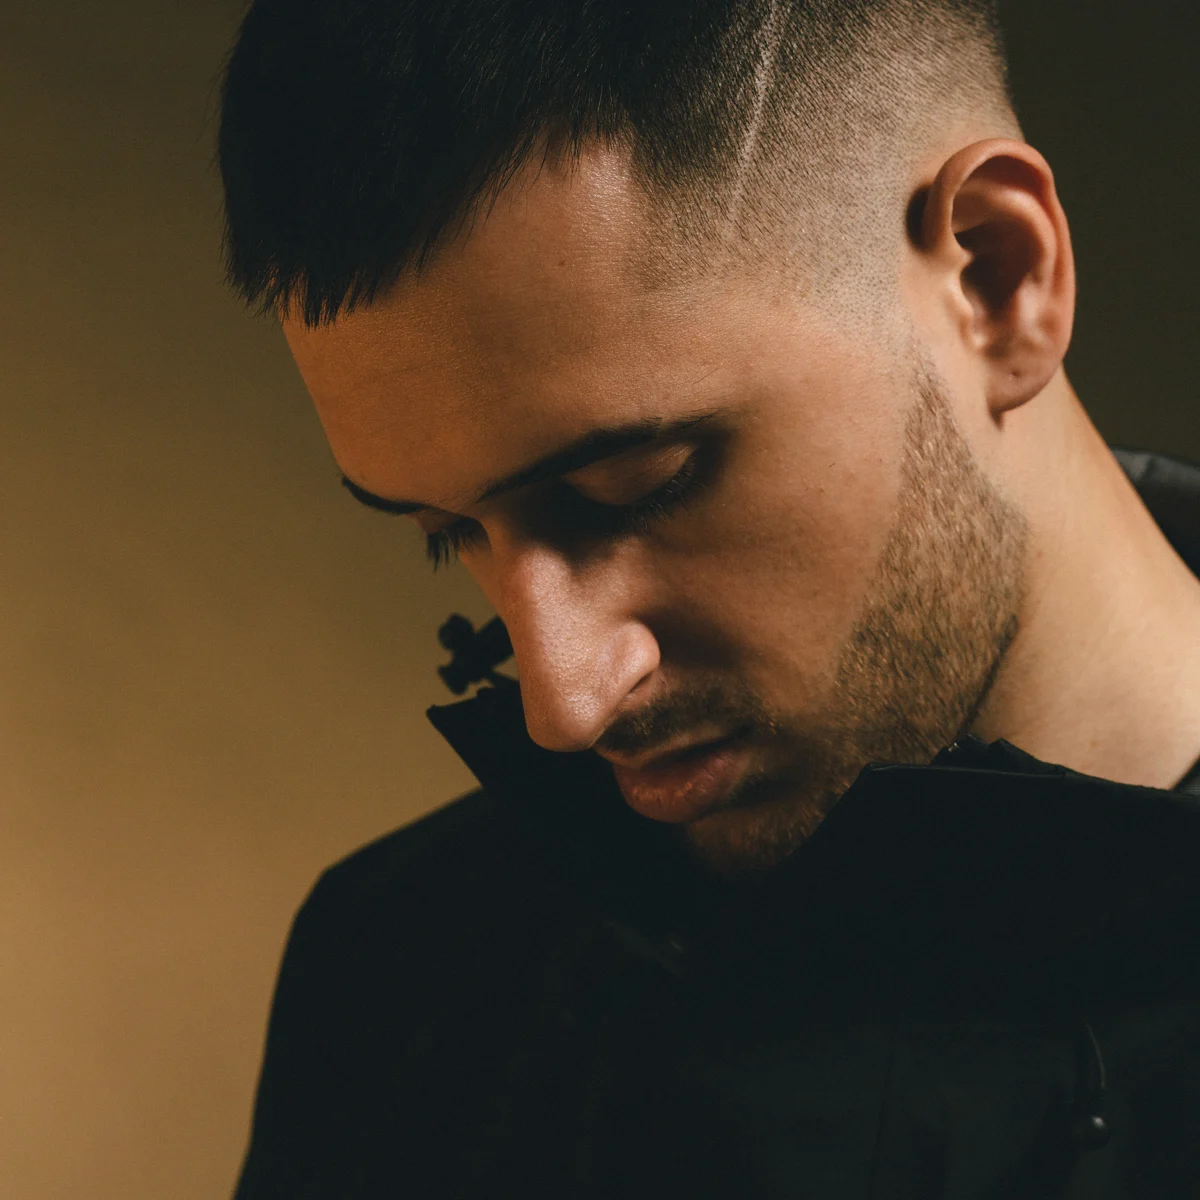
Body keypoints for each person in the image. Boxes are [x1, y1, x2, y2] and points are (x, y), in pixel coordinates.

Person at [219, 1, 1200, 1195]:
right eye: (448, 536)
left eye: (637, 485)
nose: (562, 702)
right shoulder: (406, 987)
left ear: (999, 280)